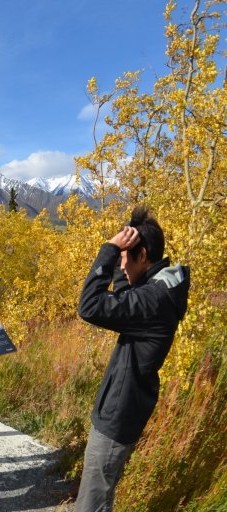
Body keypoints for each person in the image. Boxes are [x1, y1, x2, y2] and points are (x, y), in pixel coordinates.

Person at [75, 207, 190, 511]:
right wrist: (120, 259)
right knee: (100, 494)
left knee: (92, 502)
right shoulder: (158, 288)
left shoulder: (154, 299)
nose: (122, 264)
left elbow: (90, 307)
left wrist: (109, 251)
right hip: (123, 406)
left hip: (119, 414)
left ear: (142, 256)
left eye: (127, 257)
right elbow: (127, 297)